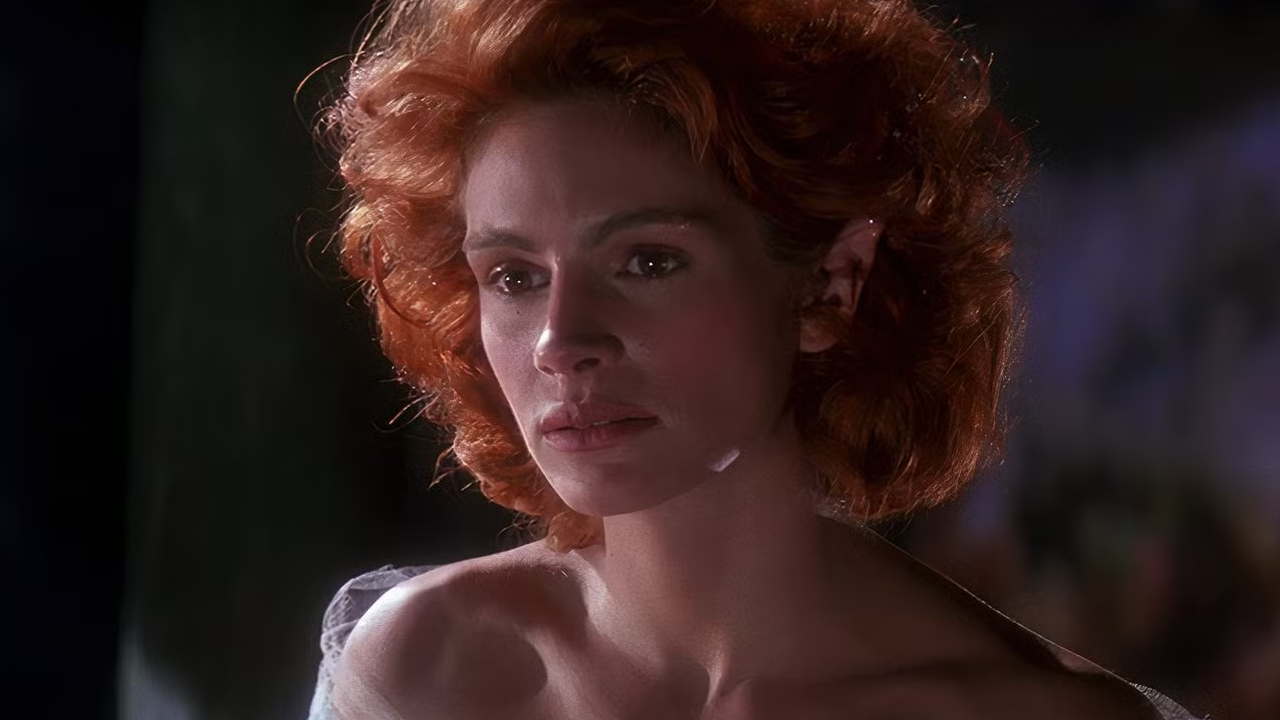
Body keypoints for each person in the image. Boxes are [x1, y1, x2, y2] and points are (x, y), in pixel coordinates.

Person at [305, 0, 1203, 717]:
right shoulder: (427, 664)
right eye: (513, 276)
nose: (560, 342)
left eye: (648, 261)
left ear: (829, 286)